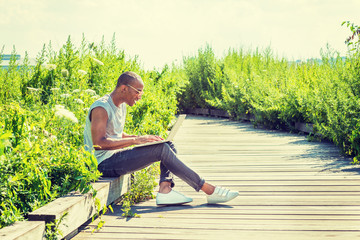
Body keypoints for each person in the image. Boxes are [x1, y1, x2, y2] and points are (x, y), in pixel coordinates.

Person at [84, 71, 239, 205]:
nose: (139, 97)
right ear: (124, 88)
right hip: (102, 164)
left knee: (167, 145)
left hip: (113, 158)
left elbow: (116, 134)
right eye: (138, 92)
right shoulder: (101, 108)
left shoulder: (120, 105)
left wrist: (142, 138)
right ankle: (207, 189)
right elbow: (99, 143)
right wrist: (135, 141)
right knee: (161, 150)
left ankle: (165, 190)